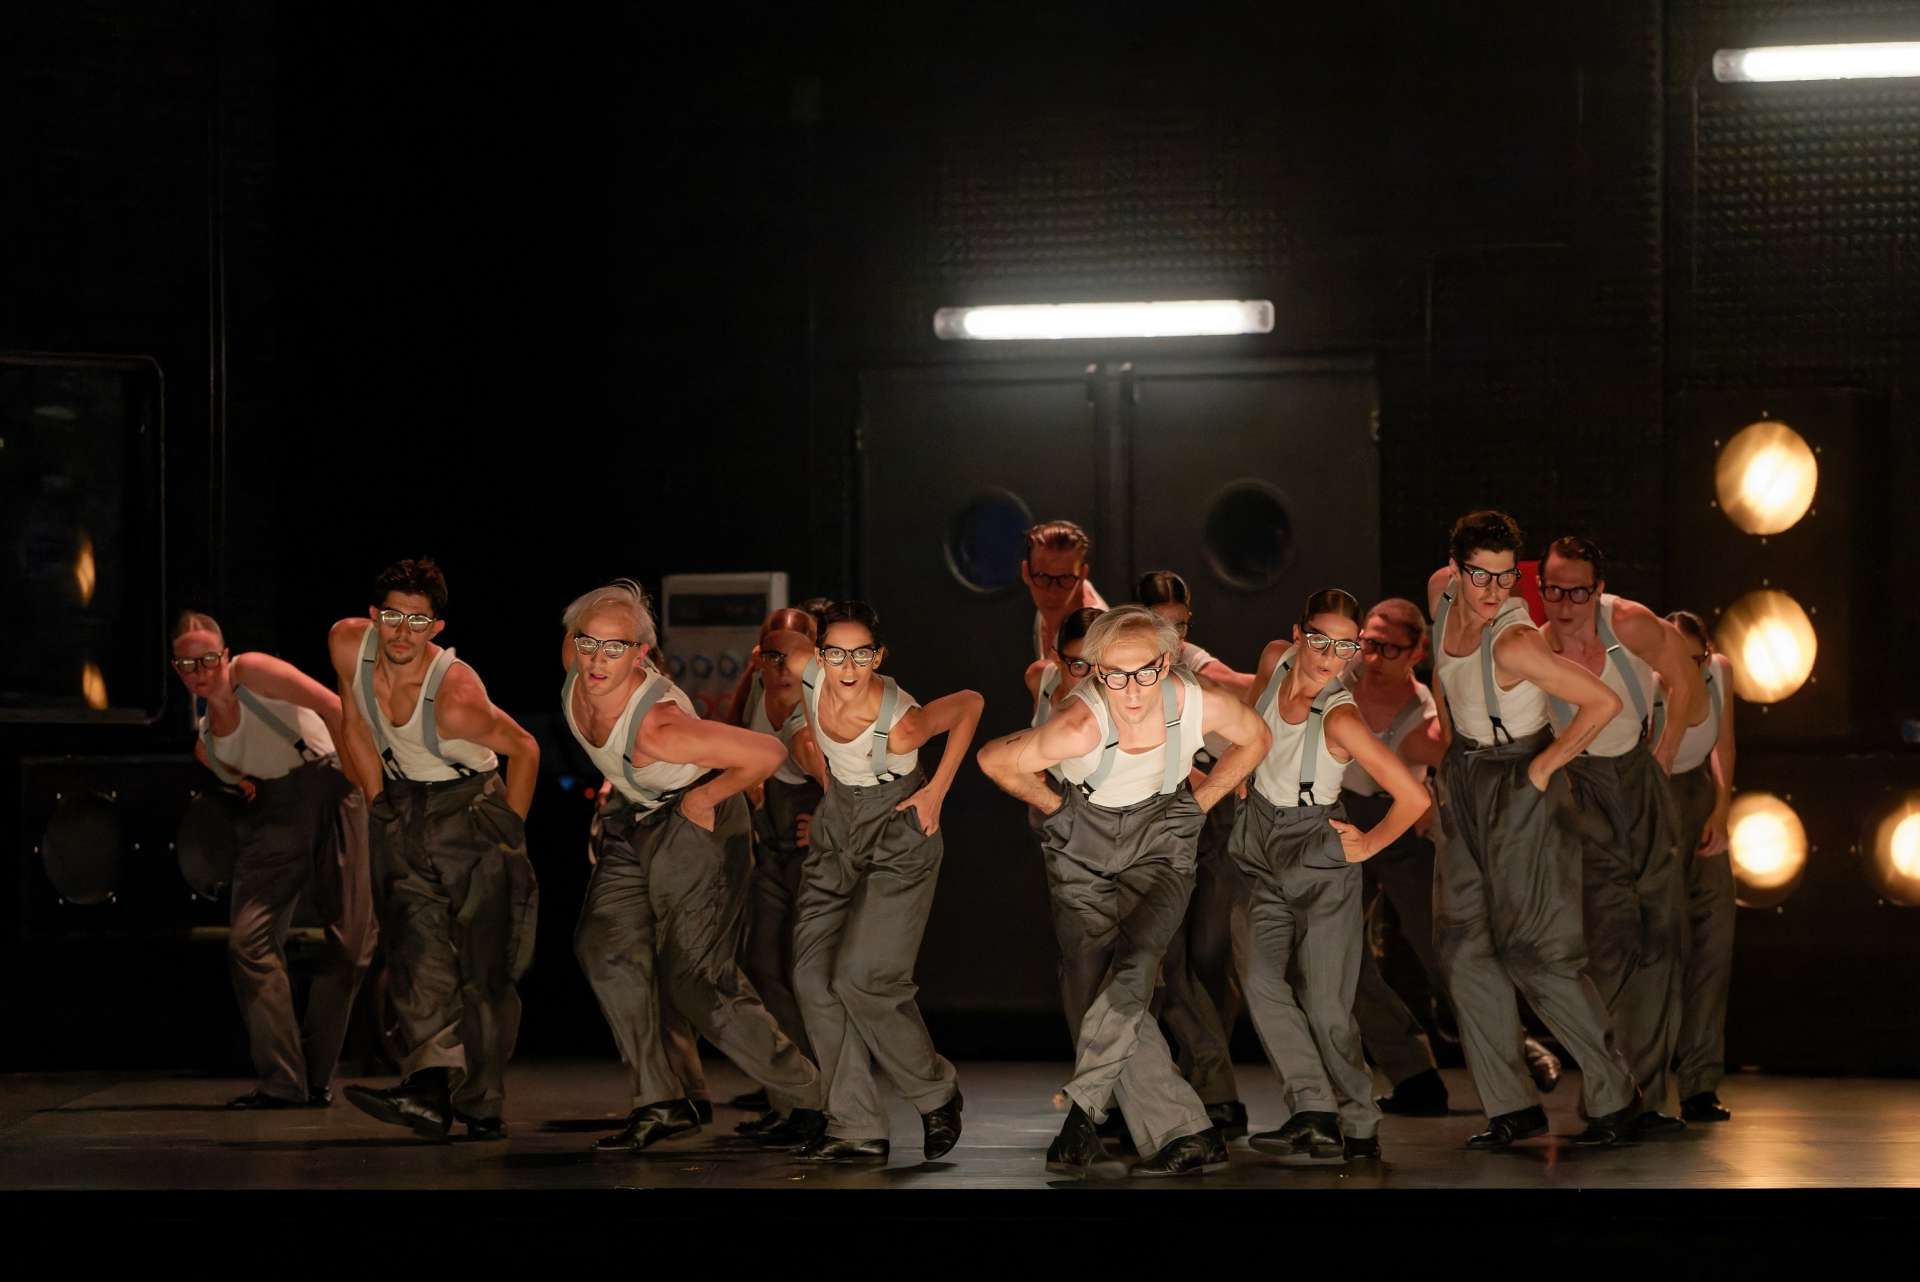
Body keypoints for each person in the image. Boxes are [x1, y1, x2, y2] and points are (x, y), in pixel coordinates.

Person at [978, 605, 1270, 1178]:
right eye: (1113, 674)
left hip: (1162, 838)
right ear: (1094, 670)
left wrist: (1199, 804)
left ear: (1166, 664)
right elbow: (994, 760)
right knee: (1089, 989)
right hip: (1084, 843)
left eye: (1143, 673)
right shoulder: (1079, 724)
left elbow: (1255, 738)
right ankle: (1186, 1131)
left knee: (1136, 972)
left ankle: (1090, 1110)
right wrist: (1058, 811)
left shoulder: (1195, 702)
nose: (1130, 690)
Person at [561, 580, 824, 1153]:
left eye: (615, 649)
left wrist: (704, 799)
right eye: (588, 645)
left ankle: (812, 1097)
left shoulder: (660, 724)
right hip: (636, 818)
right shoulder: (576, 668)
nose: (597, 661)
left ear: (640, 654)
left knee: (698, 982)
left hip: (697, 820)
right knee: (602, 947)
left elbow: (767, 753)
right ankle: (661, 1100)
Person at [1424, 513, 1640, 1148]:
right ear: (1457, 568)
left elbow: (1604, 703)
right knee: (1463, 948)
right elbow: (1442, 676)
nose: (1491, 590)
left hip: (1520, 776)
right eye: (1479, 576)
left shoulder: (1513, 641)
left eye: (1503, 577)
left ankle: (1614, 1094)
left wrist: (1542, 770)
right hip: (1466, 770)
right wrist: (1449, 754)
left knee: (1536, 952)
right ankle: (1510, 1107)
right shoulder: (1441, 597)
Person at [762, 601, 981, 1164]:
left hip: (898, 829)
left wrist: (935, 793)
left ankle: (936, 1094)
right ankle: (855, 1123)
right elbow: (778, 660)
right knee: (812, 976)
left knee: (862, 977)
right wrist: (829, 781)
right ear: (821, 653)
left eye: (862, 654)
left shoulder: (901, 725)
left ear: (878, 656)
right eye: (837, 653)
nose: (848, 666)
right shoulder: (809, 671)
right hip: (839, 821)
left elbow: (970, 705)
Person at [332, 558, 539, 1142]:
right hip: (402, 802)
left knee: (485, 968)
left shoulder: (455, 694)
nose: (402, 632)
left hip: (470, 807)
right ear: (374, 616)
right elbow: (352, 718)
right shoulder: (349, 645)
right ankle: (428, 1087)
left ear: (436, 629)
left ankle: (481, 1100)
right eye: (392, 616)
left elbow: (525, 749)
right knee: (416, 951)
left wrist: (507, 831)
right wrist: (376, 801)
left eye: (417, 621)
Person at [1235, 590, 1431, 1163]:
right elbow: (1253, 722)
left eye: (1343, 645)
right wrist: (1244, 770)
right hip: (1259, 844)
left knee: (1326, 1005)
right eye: (1320, 639)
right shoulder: (1275, 660)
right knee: (1262, 981)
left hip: (1319, 851)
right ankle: (1313, 1110)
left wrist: (1368, 843)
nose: (1329, 655)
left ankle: (1359, 1119)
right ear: (1298, 634)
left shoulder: (1341, 717)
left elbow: (1414, 796)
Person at [171, 611, 375, 1110]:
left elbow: (332, 705)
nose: (199, 671)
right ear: (177, 669)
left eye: (207, 659)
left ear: (223, 655)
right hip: (276, 810)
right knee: (248, 940)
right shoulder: (207, 741)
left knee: (351, 943)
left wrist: (363, 784)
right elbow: (242, 779)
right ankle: (284, 1081)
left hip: (328, 779)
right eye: (186, 663)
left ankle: (316, 1073)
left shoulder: (252, 671)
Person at [1539, 535, 1706, 1134]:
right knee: (1607, 939)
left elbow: (1687, 682)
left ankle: (1656, 1098)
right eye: (1552, 589)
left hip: (1638, 775)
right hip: (1579, 788)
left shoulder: (1630, 624)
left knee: (1661, 933)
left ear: (1599, 588)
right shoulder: (1534, 647)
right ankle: (1611, 1091)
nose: (1563, 602)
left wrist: (1662, 757)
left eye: (1576, 590)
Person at [1136, 569, 1250, 1137]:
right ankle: (1188, 1085)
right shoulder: (1124, 666)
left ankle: (1209, 1079)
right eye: (1160, 623)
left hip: (1210, 812)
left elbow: (1240, 692)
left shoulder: (1195, 663)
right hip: (1148, 817)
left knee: (1208, 952)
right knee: (1163, 957)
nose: (1171, 634)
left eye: (1179, 624)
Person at [1661, 610, 1737, 1124]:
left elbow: (1723, 743)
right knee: (1664, 943)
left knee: (1715, 939)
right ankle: (1639, 1083)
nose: (1688, 668)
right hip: (1655, 795)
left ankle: (1700, 1083)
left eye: (1696, 658)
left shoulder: (1720, 671)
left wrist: (1722, 807)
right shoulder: (1646, 676)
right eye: (1677, 659)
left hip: (1700, 795)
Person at [1023, 520, 1109, 661]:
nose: (1052, 591)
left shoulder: (1094, 633)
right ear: (1025, 572)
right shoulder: (1057, 595)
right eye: (1043, 576)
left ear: (1082, 575)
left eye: (1065, 578)